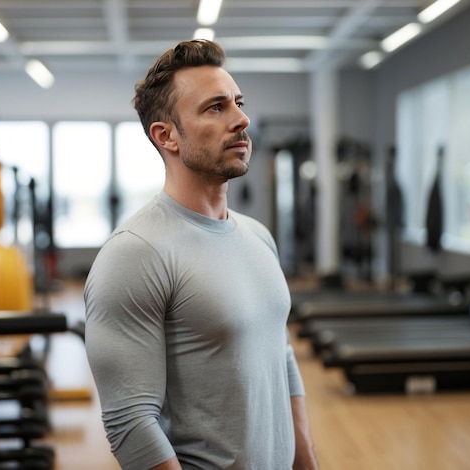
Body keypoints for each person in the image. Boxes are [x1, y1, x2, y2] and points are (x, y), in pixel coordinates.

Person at [84, 39, 319, 470]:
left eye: (238, 102)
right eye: (216, 108)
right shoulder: (136, 253)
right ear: (166, 135)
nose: (242, 119)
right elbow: (130, 421)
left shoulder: (257, 236)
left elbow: (279, 355)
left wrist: (305, 460)